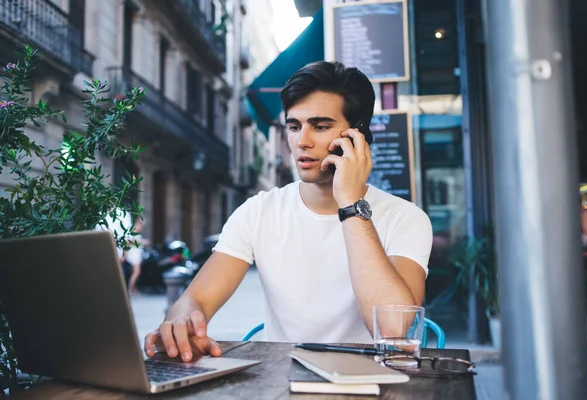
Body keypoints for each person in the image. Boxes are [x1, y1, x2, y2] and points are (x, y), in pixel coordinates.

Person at [144, 61, 433, 362]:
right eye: (294, 126)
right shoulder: (259, 211)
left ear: (357, 135)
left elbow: (396, 332)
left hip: (370, 383)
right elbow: (195, 299)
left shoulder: (406, 219)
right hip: (280, 380)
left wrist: (350, 204)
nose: (302, 141)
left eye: (320, 127)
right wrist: (183, 322)